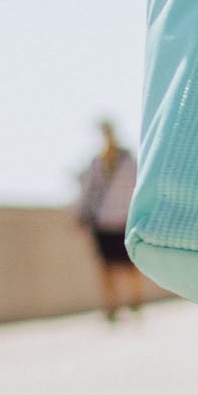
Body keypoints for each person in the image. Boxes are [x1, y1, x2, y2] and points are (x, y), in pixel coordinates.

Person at [74, 119, 145, 318]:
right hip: (102, 222)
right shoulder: (96, 163)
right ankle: (111, 306)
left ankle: (135, 301)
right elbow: (88, 191)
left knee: (131, 266)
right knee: (106, 268)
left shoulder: (128, 161)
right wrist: (80, 214)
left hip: (124, 221)